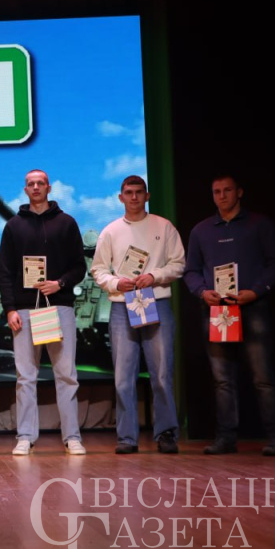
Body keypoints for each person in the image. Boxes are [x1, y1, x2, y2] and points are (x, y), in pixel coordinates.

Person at [183, 174, 275, 456]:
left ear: (239, 192)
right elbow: (191, 271)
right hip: (217, 311)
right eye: (216, 191)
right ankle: (226, 439)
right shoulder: (201, 230)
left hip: (252, 307)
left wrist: (256, 291)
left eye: (227, 190)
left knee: (262, 376)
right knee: (222, 379)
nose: (222, 196)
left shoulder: (259, 224)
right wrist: (202, 291)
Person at [91, 176, 185, 454]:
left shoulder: (163, 226)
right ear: (120, 197)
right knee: (123, 376)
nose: (134, 197)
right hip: (122, 305)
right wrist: (115, 283)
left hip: (156, 301)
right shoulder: (110, 231)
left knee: (162, 374)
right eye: (128, 193)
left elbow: (179, 263)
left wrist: (154, 276)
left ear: (147, 195)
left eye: (138, 192)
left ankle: (166, 433)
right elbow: (98, 269)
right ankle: (126, 437)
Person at [0, 169, 87, 455]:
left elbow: (79, 267)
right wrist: (10, 308)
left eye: (40, 183)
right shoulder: (14, 226)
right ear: (25, 189)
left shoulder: (66, 223)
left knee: (66, 374)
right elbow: (5, 272)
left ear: (48, 188)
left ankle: (72, 437)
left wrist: (59, 283)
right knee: (25, 377)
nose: (35, 187)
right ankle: (25, 436)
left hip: (59, 307)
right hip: (24, 310)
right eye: (30, 184)